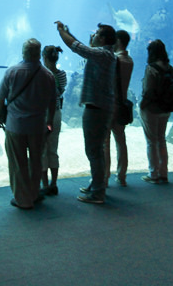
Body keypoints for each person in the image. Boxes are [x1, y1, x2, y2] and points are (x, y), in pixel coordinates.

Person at [56, 21, 117, 203]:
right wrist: (70, 31)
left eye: (97, 33)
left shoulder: (103, 54)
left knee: (94, 150)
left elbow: (76, 47)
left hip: (97, 108)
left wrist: (61, 32)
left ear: (104, 38)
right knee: (97, 149)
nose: (94, 35)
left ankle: (98, 192)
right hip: (99, 107)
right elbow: (82, 47)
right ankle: (97, 183)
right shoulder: (103, 55)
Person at [0, 38, 57, 209]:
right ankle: (34, 194)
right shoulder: (48, 75)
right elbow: (53, 102)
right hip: (38, 127)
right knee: (36, 162)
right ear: (39, 53)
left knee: (18, 163)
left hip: (15, 126)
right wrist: (49, 122)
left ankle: (22, 199)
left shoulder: (12, 72)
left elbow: (1, 97)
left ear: (23, 52)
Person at [138, 39, 173, 184]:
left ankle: (153, 173)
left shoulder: (151, 68)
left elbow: (148, 90)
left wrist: (142, 105)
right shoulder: (170, 68)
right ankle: (163, 173)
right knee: (161, 139)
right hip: (166, 109)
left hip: (152, 109)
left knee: (151, 141)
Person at [108, 29, 134, 187]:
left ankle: (104, 177)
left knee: (105, 143)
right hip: (122, 104)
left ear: (117, 41)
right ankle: (122, 175)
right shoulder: (129, 60)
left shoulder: (114, 60)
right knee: (121, 141)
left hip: (110, 105)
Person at [40, 45, 67, 196]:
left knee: (42, 149)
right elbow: (59, 92)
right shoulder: (62, 74)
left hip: (44, 116)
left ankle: (44, 184)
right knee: (53, 148)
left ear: (43, 57)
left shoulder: (42, 74)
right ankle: (54, 183)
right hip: (56, 114)